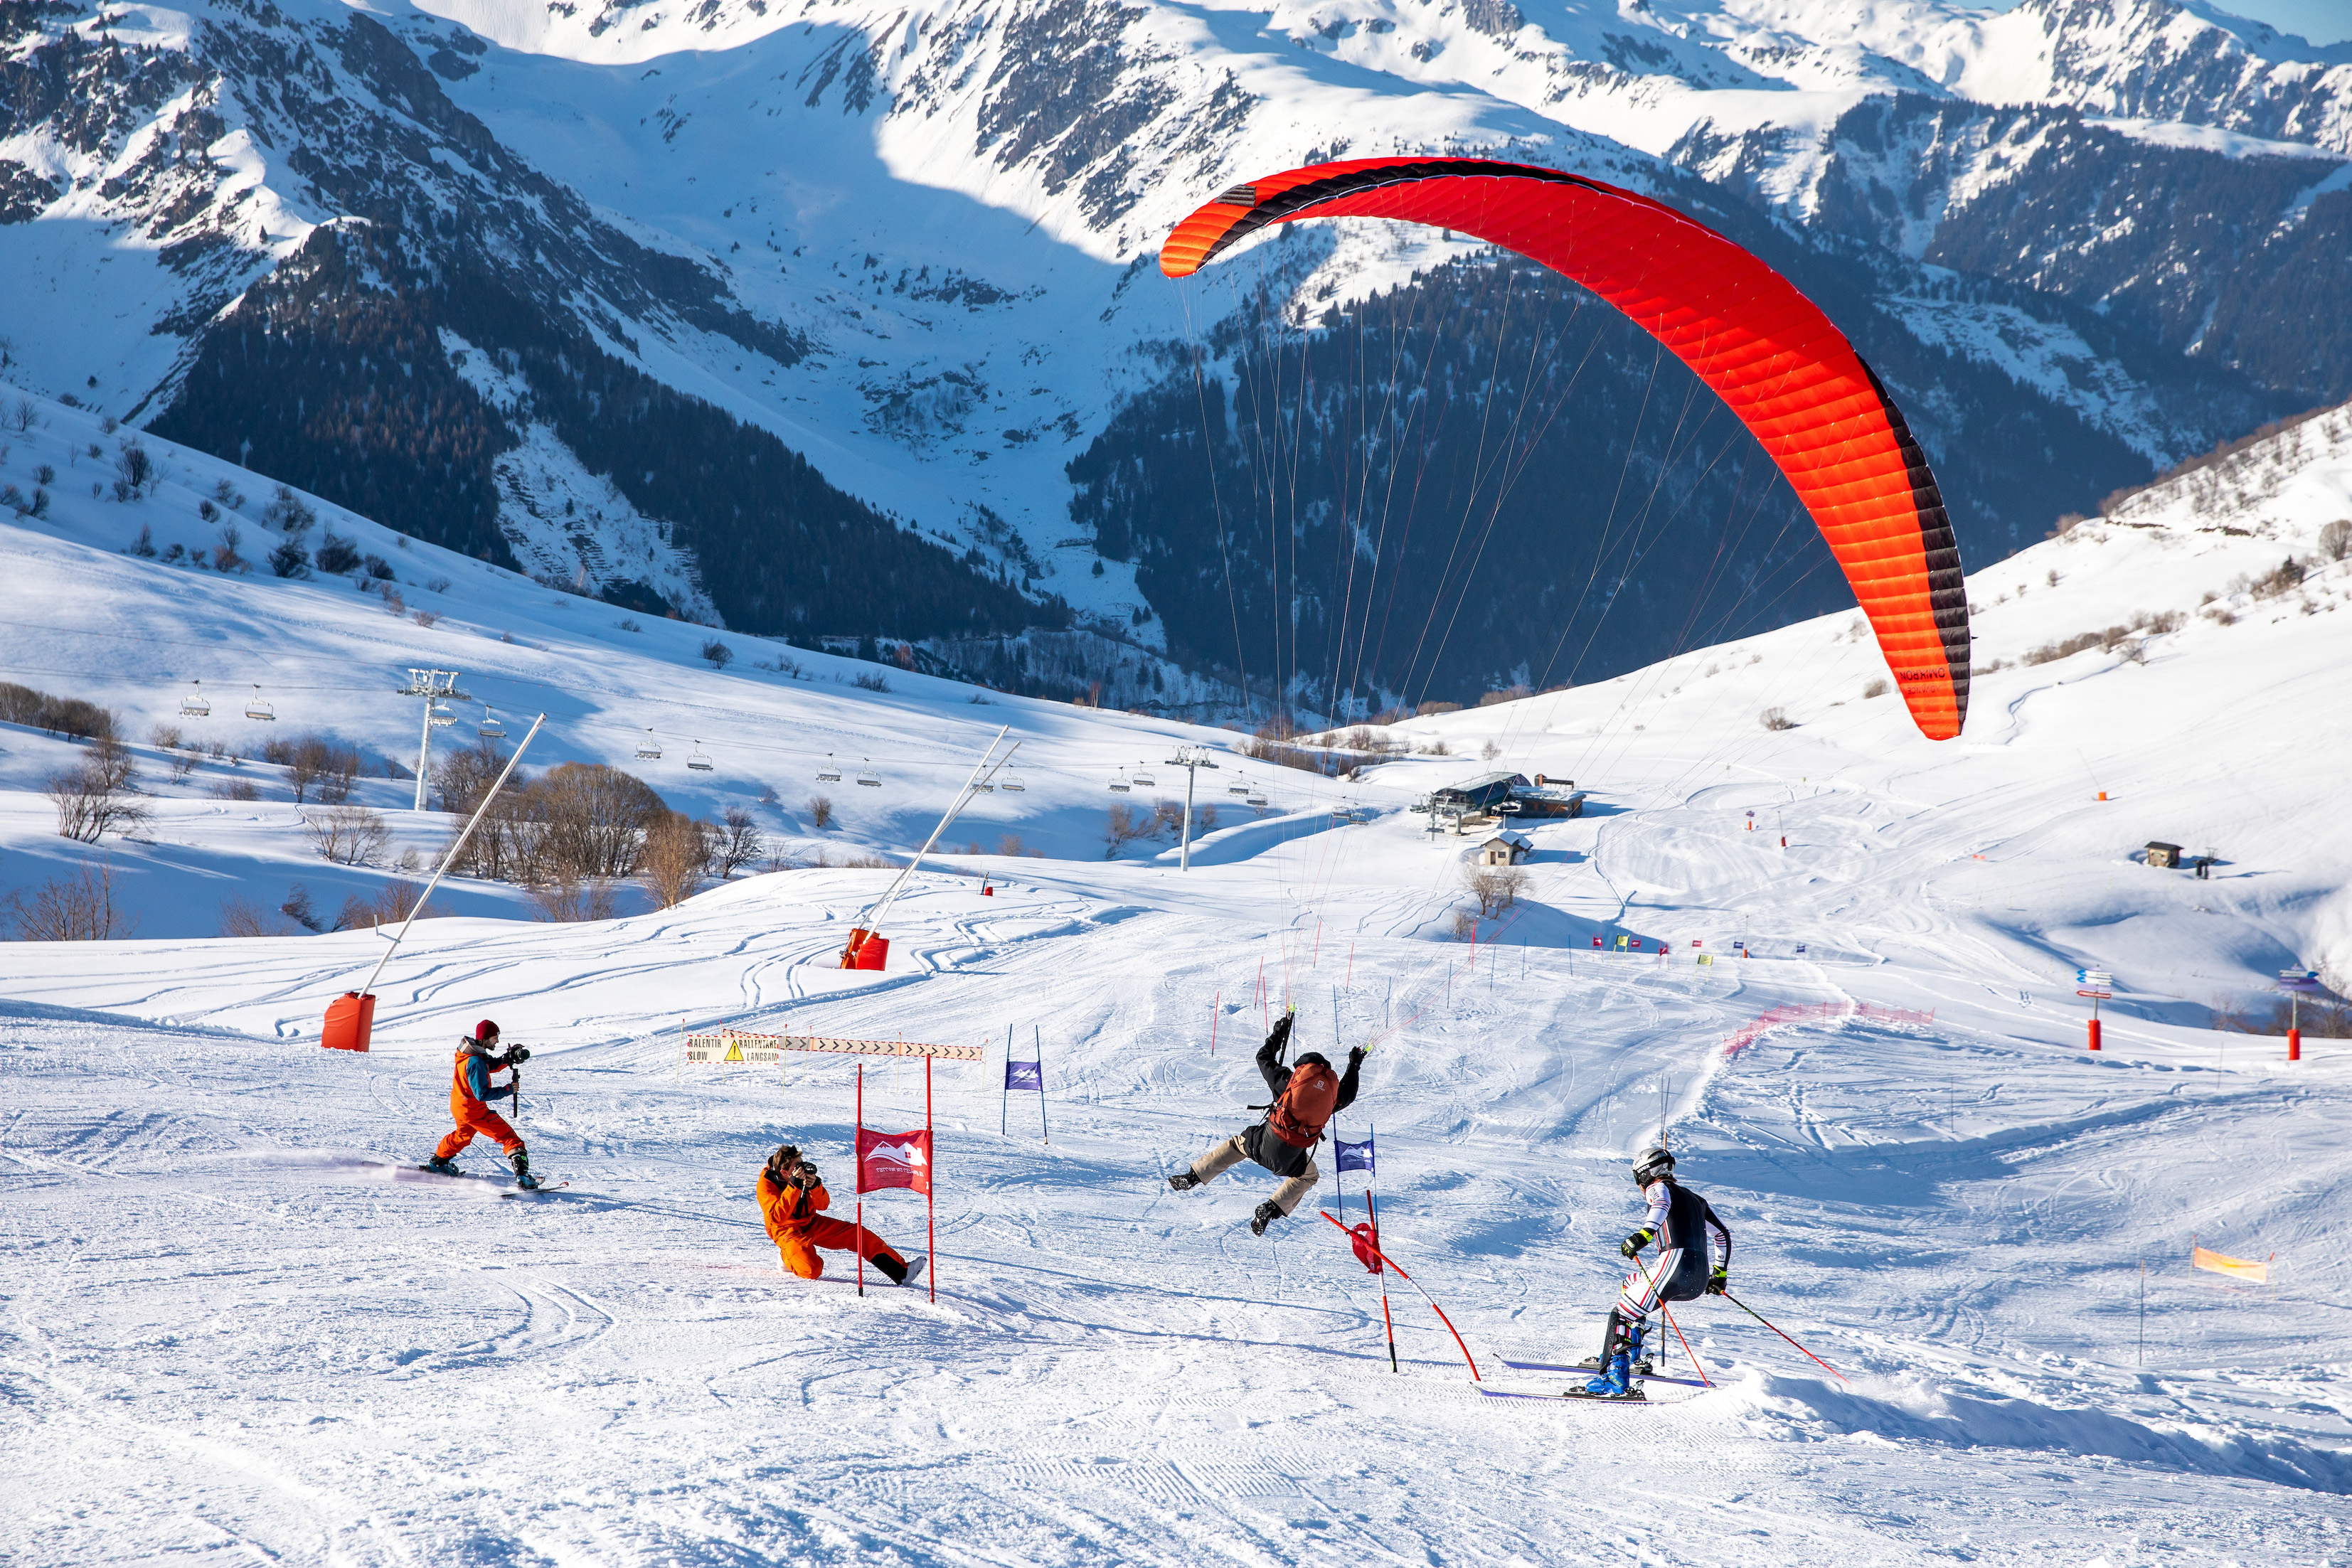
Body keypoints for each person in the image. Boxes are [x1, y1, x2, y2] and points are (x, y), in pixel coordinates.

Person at [1168, 1011, 1363, 1236]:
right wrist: (1354, 1066)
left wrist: (1277, 1035)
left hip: (1262, 1144)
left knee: (1236, 1145)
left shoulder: (1288, 1082)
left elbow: (1263, 1057)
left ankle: (1193, 1177)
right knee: (1310, 1175)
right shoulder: (1330, 1099)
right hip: (1291, 1161)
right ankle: (1271, 1209)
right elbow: (1348, 1094)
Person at [1576, 1145, 1730, 1399]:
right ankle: (1632, 1356)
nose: (1639, 1186)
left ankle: (1615, 1379)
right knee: (1631, 1283)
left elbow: (1660, 1204)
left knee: (1622, 1314)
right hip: (1698, 1277)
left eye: (1638, 1178)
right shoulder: (1696, 1200)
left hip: (1673, 1264)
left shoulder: (1658, 1188)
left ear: (1646, 1173)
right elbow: (1722, 1235)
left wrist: (1643, 1235)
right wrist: (1719, 1276)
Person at [756, 1143, 916, 1285]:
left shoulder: (804, 1178)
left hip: (811, 1222)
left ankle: (901, 1272)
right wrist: (794, 1186)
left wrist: (816, 1186)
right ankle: (787, 1257)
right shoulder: (766, 1184)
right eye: (797, 1167)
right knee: (812, 1270)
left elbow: (823, 1205)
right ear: (784, 1172)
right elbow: (777, 1217)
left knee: (857, 1234)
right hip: (787, 1231)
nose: (802, 1169)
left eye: (801, 1164)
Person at [422, 1020, 538, 1189]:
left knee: (462, 1136)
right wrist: (508, 1089)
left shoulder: (471, 1054)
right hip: (473, 1110)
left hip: (461, 1106)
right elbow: (482, 1093)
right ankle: (524, 1178)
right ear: (485, 1038)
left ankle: (438, 1163)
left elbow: (488, 1065)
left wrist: (507, 1059)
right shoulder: (475, 1061)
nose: (497, 1041)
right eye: (495, 1037)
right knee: (509, 1138)